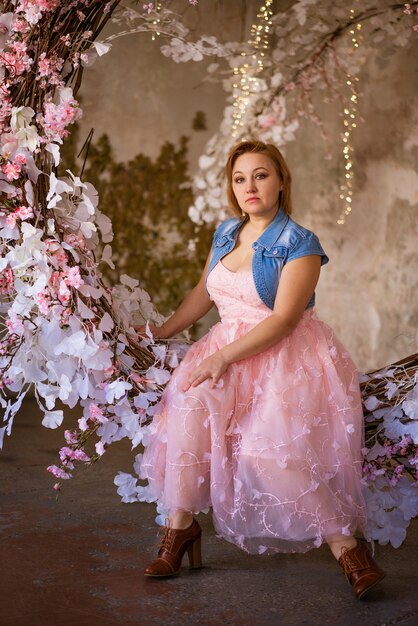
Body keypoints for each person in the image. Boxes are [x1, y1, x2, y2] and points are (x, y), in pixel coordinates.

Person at [135, 140, 386, 599]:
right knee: (188, 416)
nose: (249, 186)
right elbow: (203, 293)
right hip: (225, 349)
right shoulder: (226, 233)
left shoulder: (299, 243)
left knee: (265, 453)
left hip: (282, 358)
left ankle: (349, 551)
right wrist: (158, 331)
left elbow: (285, 319)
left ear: (281, 180)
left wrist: (220, 359)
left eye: (261, 175)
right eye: (239, 178)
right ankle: (179, 529)